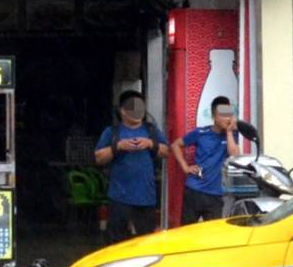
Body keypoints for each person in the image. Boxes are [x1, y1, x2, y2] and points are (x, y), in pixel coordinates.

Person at [95, 91, 169, 243]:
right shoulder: (112, 131)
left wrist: (150, 144)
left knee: (147, 242)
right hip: (119, 196)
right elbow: (98, 157)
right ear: (123, 110)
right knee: (116, 242)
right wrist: (118, 146)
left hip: (146, 197)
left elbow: (167, 152)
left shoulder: (151, 130)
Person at [172, 96, 240, 224]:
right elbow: (175, 145)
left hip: (216, 194)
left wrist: (230, 132)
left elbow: (234, 155)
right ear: (214, 115)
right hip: (194, 190)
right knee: (187, 231)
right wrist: (185, 167)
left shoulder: (232, 135)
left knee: (213, 234)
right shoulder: (201, 132)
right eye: (223, 115)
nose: (228, 118)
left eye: (229, 115)